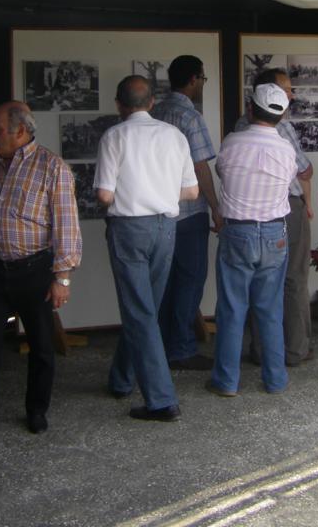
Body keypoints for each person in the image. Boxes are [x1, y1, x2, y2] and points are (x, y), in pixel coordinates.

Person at [0, 101, 81, 447]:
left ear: (20, 131)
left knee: (42, 346)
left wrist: (62, 278)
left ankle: (36, 410)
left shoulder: (52, 167)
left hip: (33, 270)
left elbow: (66, 225)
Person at [94, 76, 199, 422]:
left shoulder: (114, 136)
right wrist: (160, 192)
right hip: (166, 228)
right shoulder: (175, 135)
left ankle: (161, 400)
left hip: (129, 229)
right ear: (152, 102)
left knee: (139, 310)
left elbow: (104, 195)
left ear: (119, 104)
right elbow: (192, 192)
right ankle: (121, 379)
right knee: (145, 308)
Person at [207, 83, 297, 396]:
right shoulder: (286, 149)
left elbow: (221, 172)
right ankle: (275, 379)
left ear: (250, 109)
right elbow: (290, 180)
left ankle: (226, 381)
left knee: (232, 309)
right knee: (270, 309)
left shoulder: (232, 142)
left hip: (237, 231)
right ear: (281, 115)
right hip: (274, 233)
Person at [235, 68, 315, 366]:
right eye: (287, 89)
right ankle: (295, 349)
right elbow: (305, 170)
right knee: (294, 279)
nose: (291, 94)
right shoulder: (283, 127)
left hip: (250, 212)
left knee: (261, 282)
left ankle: (262, 350)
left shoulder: (240, 125)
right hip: (286, 207)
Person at [151, 55, 222, 370]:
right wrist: (216, 207)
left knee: (164, 281)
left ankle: (163, 345)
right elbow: (200, 167)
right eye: (203, 79)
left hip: (158, 212)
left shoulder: (154, 112)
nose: (202, 84)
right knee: (190, 279)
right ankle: (180, 348)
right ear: (194, 79)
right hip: (189, 211)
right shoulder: (190, 117)